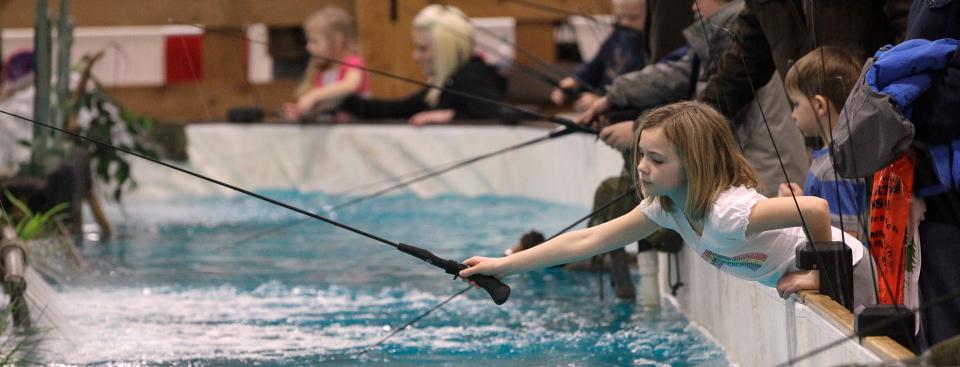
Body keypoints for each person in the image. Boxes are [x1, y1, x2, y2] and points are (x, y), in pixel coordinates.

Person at [460, 101, 875, 310]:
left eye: (657, 160)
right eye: (641, 155)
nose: (641, 168)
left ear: (694, 164)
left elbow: (816, 210)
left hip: (854, 275)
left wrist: (820, 277)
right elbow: (587, 240)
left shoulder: (727, 212)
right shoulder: (669, 208)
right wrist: (501, 265)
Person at [577, 0, 807, 198]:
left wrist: (639, 128)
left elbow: (718, 105)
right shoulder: (719, 32)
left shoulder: (732, 27)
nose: (692, 5)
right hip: (756, 173)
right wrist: (613, 97)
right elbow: (675, 73)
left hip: (767, 177)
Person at [337, 4, 507, 125]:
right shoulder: (448, 82)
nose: (416, 56)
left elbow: (497, 115)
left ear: (444, 50)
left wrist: (454, 118)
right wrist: (342, 102)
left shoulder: (472, 76)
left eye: (423, 49)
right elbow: (400, 109)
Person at [778, 47, 867, 242]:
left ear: (819, 105)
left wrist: (797, 214)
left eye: (796, 104)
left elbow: (845, 242)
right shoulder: (833, 160)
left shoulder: (834, 169)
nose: (793, 115)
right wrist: (803, 203)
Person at [550, 0, 648, 111]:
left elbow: (640, 90)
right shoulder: (620, 33)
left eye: (633, 17)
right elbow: (596, 63)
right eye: (621, 16)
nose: (625, 22)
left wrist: (603, 99)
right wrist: (575, 80)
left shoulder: (651, 47)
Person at [283, 6, 370, 123]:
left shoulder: (353, 62)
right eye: (307, 41)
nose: (308, 47)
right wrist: (301, 111)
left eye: (315, 41)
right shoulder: (321, 72)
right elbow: (324, 109)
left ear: (338, 41)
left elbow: (350, 85)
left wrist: (315, 95)